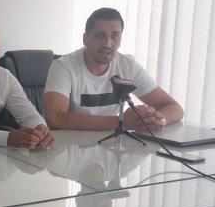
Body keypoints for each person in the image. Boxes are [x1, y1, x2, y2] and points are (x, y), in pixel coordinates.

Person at [44, 8, 183, 130]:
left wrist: (156, 120)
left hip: (111, 145)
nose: (108, 43)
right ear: (85, 39)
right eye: (100, 36)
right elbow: (55, 118)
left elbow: (175, 108)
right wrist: (121, 122)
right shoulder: (63, 66)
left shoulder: (128, 66)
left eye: (115, 36)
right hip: (72, 146)